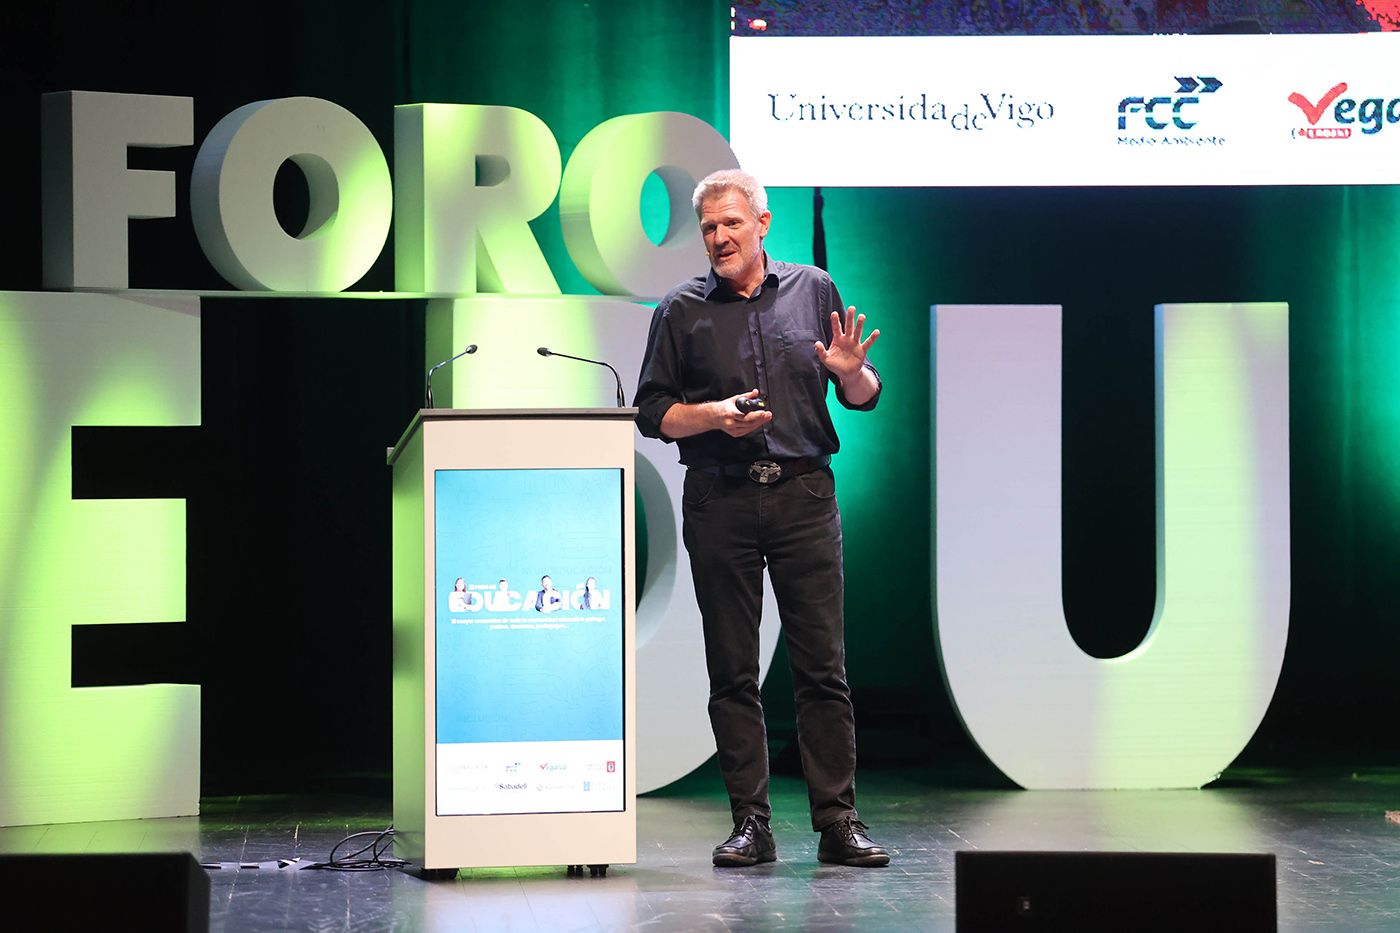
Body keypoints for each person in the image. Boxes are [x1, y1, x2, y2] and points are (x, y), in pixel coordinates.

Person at [635, 169, 888, 868]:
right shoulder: (680, 311)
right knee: (732, 670)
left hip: (804, 497)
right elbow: (653, 412)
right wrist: (714, 417)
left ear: (762, 224)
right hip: (720, 499)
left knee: (822, 667)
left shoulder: (814, 290)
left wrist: (849, 372)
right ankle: (751, 822)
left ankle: (839, 821)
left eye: (730, 223)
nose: (718, 237)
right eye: (709, 227)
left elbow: (863, 395)